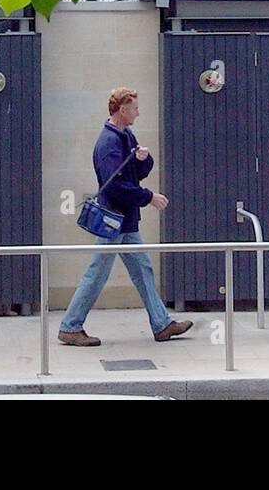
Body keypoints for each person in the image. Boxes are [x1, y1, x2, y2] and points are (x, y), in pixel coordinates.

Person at [58, 87, 193, 347]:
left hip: (123, 221)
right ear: (122, 110)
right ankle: (70, 326)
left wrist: (143, 159)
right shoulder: (109, 144)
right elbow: (116, 187)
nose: (138, 113)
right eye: (134, 108)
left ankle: (162, 324)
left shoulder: (124, 136)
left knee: (142, 270)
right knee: (98, 273)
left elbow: (134, 174)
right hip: (114, 221)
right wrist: (149, 197)